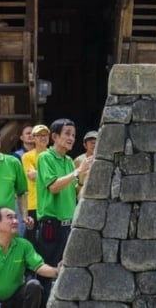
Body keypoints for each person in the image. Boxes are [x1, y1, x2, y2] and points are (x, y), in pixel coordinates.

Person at [35, 119, 92, 300]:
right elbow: (53, 186)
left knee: (66, 271)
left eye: (74, 135)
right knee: (48, 272)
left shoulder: (68, 160)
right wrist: (77, 172)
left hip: (68, 225)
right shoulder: (45, 157)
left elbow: (75, 190)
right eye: (67, 134)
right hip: (51, 225)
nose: (71, 138)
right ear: (54, 136)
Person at [0, 206, 60, 308]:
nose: (15, 221)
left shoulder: (24, 245)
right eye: (10, 217)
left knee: (34, 286)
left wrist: (58, 271)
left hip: (16, 300)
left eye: (16, 217)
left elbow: (39, 267)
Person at [21, 125, 50, 245]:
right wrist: (52, 177)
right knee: (32, 239)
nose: (43, 138)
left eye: (45, 135)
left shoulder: (54, 154)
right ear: (33, 138)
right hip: (34, 204)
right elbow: (31, 176)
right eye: (39, 135)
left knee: (49, 238)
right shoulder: (27, 156)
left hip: (50, 203)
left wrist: (41, 175)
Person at [73, 130, 97, 197]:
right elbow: (72, 184)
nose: (94, 144)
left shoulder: (106, 160)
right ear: (85, 145)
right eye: (91, 142)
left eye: (96, 142)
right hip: (82, 197)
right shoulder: (78, 160)